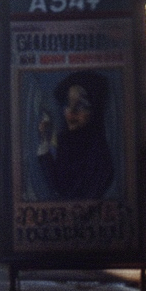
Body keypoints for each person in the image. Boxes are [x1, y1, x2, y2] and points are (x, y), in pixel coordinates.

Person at [35, 70, 116, 201]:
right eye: (67, 104)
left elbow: (65, 191)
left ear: (95, 111)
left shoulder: (98, 156)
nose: (71, 111)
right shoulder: (65, 142)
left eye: (82, 105)